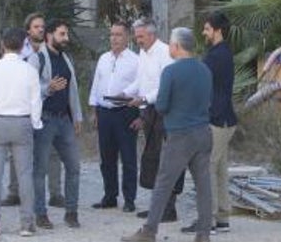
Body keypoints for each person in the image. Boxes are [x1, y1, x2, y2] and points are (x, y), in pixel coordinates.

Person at [121, 27, 213, 242]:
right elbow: (208, 101)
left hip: (179, 134)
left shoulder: (171, 71)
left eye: (171, 44)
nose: (169, 47)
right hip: (203, 132)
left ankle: (149, 231)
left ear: (177, 46)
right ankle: (203, 233)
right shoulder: (204, 70)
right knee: (203, 184)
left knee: (163, 183)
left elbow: (161, 105)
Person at [0, 26, 42, 236]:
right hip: (22, 122)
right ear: (24, 46)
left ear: (3, 44)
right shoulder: (30, 70)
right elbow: (36, 100)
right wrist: (35, 122)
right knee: (25, 174)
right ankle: (27, 223)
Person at [182, 11, 237, 235]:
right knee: (220, 169)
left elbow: (205, 86)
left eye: (206, 29)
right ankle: (222, 217)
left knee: (207, 168)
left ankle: (209, 220)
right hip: (224, 118)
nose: (203, 32)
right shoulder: (222, 52)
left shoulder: (217, 56)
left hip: (218, 120)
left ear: (217, 30)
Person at [123, 17, 179, 222]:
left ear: (152, 34)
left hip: (163, 111)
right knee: (151, 159)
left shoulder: (164, 52)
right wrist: (124, 94)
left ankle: (168, 208)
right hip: (148, 111)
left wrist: (145, 98)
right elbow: (141, 80)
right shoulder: (143, 53)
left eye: (141, 36)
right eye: (136, 36)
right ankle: (158, 206)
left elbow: (166, 86)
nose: (138, 40)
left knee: (165, 159)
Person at [4, 12, 62, 208]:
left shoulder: (51, 50)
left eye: (42, 26)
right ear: (28, 30)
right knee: (18, 151)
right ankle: (15, 192)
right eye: (36, 26)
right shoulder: (18, 52)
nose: (40, 29)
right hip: (25, 108)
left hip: (49, 106)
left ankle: (55, 193)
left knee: (53, 150)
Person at [31, 20, 83, 230]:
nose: (66, 38)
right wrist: (48, 88)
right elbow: (30, 89)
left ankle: (71, 212)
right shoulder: (37, 59)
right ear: (49, 35)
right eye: (62, 34)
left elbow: (73, 89)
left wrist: (77, 116)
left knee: (74, 167)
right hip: (44, 118)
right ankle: (40, 214)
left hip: (64, 120)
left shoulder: (66, 59)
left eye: (66, 34)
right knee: (40, 169)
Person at [87, 21, 140, 213]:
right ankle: (109, 196)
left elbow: (142, 88)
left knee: (128, 157)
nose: (114, 38)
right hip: (105, 112)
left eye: (118, 35)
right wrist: (94, 110)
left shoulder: (135, 60)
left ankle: (129, 199)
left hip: (125, 113)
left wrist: (141, 115)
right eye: (111, 34)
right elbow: (96, 84)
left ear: (127, 37)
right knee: (106, 158)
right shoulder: (103, 58)